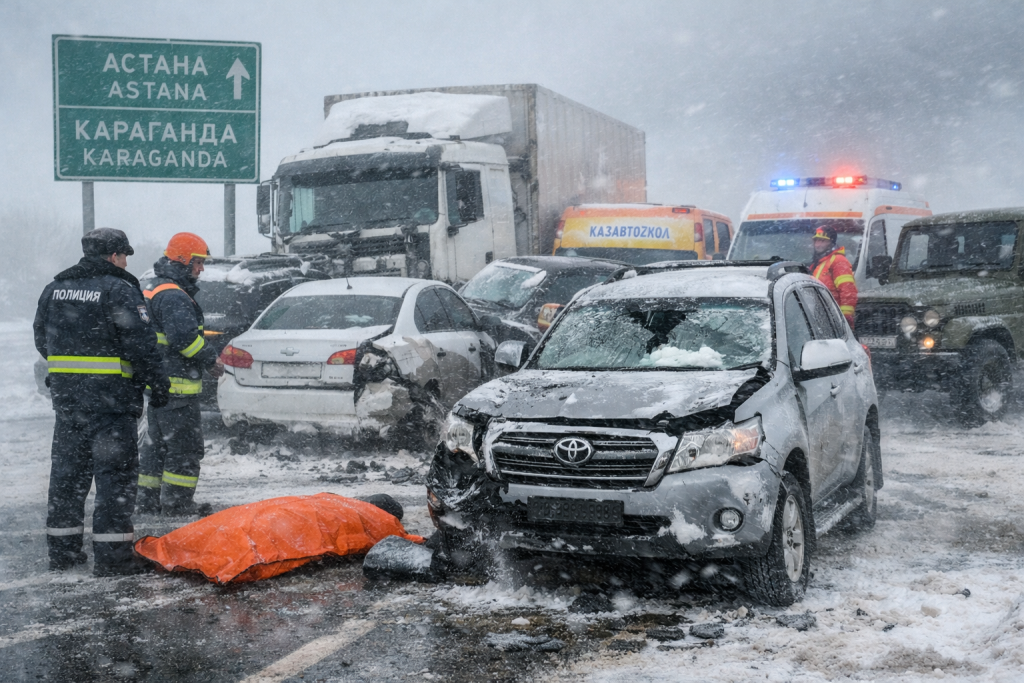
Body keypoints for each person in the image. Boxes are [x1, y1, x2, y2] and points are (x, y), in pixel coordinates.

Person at [34, 228, 170, 576]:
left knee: (67, 478)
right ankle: (113, 560)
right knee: (115, 481)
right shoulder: (119, 290)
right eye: (125, 255)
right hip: (111, 404)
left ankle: (63, 554)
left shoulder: (54, 289)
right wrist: (157, 382)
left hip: (68, 404)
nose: (125, 262)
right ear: (114, 256)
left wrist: (72, 372)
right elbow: (142, 345)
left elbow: (41, 338)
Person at [137, 232, 223, 516]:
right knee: (184, 449)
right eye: (198, 262)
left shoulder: (154, 287)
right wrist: (211, 359)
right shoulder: (173, 294)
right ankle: (177, 504)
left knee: (156, 447)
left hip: (159, 385)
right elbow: (184, 339)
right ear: (183, 261)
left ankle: (148, 501)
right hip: (177, 388)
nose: (201, 269)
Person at [809, 225, 858, 329]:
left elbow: (848, 290)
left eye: (822, 241)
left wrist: (845, 317)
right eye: (816, 241)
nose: (818, 245)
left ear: (831, 242)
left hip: (834, 319)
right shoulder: (819, 263)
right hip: (822, 317)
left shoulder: (838, 261)